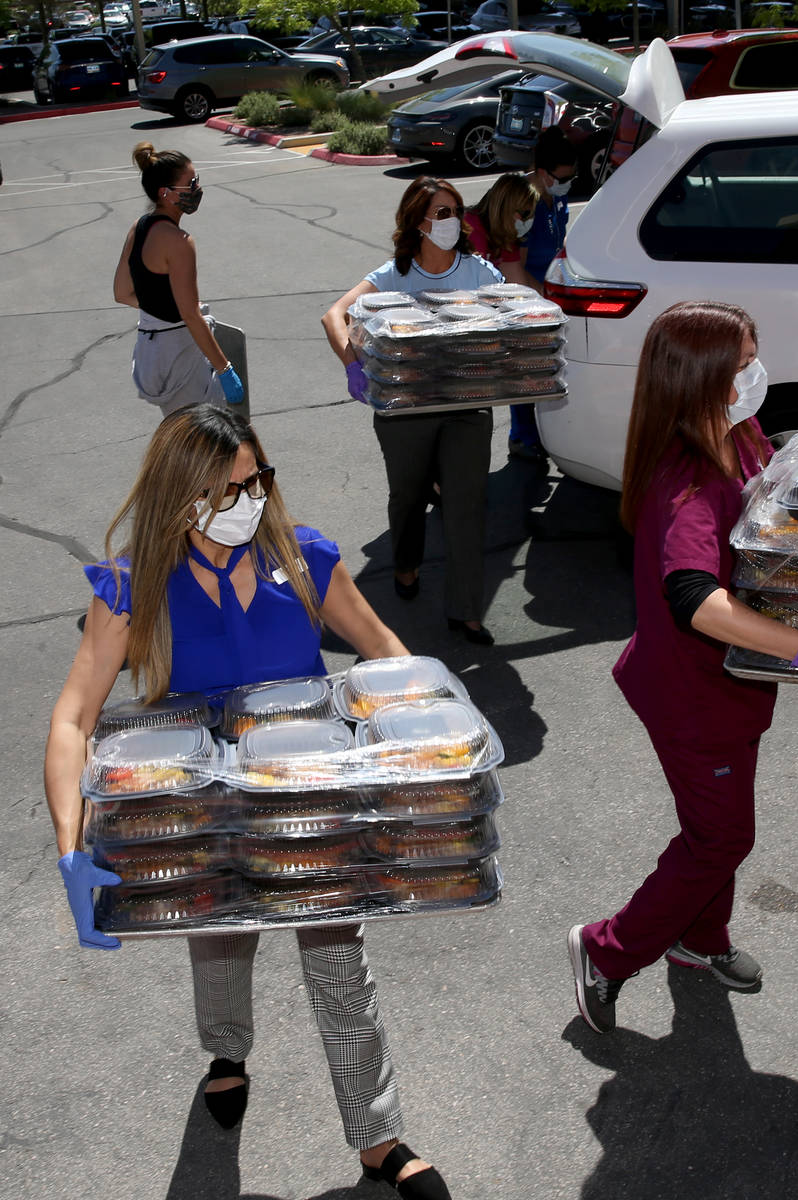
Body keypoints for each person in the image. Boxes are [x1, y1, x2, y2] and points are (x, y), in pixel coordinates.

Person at [44, 405, 450, 1199]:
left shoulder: (303, 559)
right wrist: (71, 844)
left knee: (340, 966)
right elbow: (71, 718)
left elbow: (385, 654)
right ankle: (227, 1052)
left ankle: (378, 1139)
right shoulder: (132, 589)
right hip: (196, 817)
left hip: (307, 801)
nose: (246, 497)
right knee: (220, 950)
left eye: (253, 479)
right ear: (179, 493)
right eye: (223, 487)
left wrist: (419, 743)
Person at [567, 301, 798, 1036]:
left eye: (753, 355)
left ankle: (697, 939)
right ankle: (607, 950)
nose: (755, 371)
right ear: (705, 376)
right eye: (742, 362)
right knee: (719, 838)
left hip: (731, 686)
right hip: (689, 696)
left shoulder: (735, 432)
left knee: (715, 823)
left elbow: (769, 498)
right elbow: (694, 599)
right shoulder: (684, 480)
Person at [321, 176, 503, 647]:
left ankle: (466, 610)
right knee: (408, 496)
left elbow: (514, 316)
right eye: (441, 213)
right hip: (405, 408)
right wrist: (353, 365)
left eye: (456, 211)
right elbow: (334, 314)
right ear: (417, 221)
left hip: (467, 406)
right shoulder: (393, 275)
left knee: (466, 504)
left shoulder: (479, 271)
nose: (452, 221)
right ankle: (405, 563)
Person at [113, 142, 244, 418]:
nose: (197, 189)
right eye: (191, 183)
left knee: (181, 435)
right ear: (166, 193)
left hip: (149, 352)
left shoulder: (139, 227)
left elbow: (122, 292)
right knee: (202, 444)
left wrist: (161, 304)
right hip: (177, 356)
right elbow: (190, 315)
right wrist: (225, 369)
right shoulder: (180, 242)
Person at [510, 128, 579, 462]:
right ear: (541, 173)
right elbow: (514, 268)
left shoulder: (558, 196)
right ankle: (522, 437)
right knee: (525, 369)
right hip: (525, 294)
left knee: (546, 367)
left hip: (547, 290)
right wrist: (543, 298)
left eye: (571, 177)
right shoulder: (522, 204)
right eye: (562, 178)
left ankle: (539, 433)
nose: (567, 183)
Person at [463, 171, 538, 290]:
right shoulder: (471, 231)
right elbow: (473, 289)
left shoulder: (506, 235)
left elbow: (519, 287)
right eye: (525, 214)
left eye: (532, 214)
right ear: (505, 208)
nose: (529, 220)